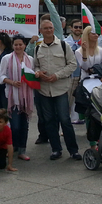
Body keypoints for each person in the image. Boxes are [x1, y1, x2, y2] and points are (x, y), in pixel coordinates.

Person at [33, 19, 81, 161]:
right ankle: (56, 149)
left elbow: (73, 65)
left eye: (50, 28)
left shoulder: (63, 45)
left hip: (60, 88)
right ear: (41, 31)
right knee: (49, 120)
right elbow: (35, 65)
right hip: (44, 90)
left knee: (65, 120)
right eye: (45, 28)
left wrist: (57, 76)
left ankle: (73, 150)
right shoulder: (38, 48)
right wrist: (38, 73)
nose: (48, 30)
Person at [0, 35, 34, 161]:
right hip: (12, 96)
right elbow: (1, 77)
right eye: (16, 45)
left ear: (25, 45)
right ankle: (11, 148)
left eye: (20, 44)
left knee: (24, 125)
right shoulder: (6, 59)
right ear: (12, 46)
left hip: (26, 97)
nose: (18, 47)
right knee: (15, 125)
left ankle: (22, 150)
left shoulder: (30, 59)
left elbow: (32, 76)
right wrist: (12, 82)